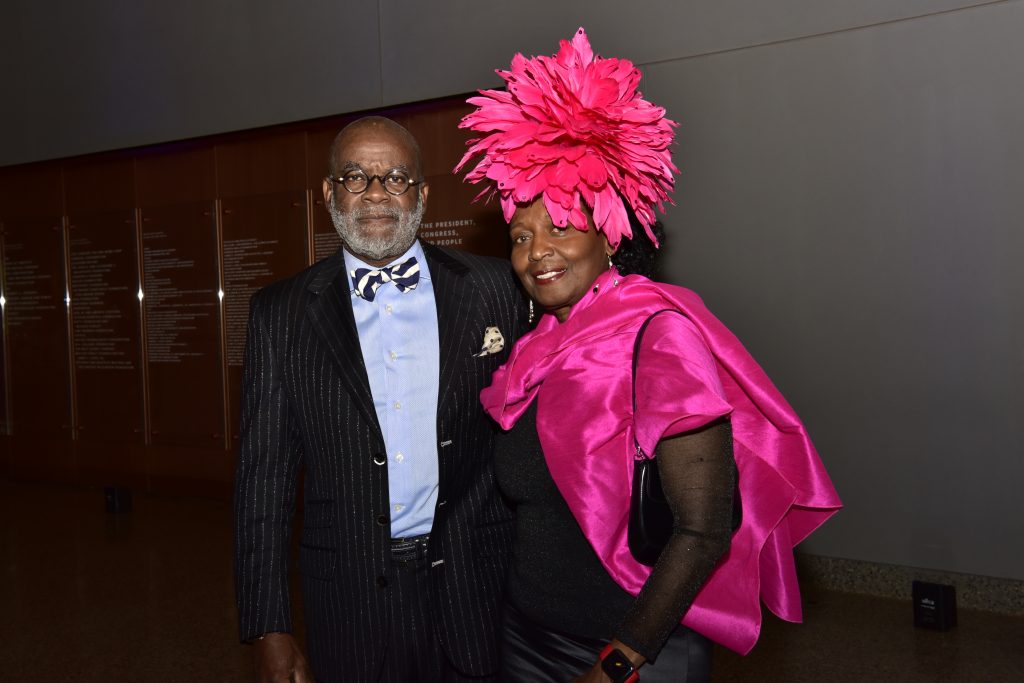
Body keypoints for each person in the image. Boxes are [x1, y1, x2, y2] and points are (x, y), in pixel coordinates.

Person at [456, 29, 842, 682]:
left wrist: (620, 660)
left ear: (612, 234)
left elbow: (702, 530)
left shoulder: (660, 335)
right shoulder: (532, 352)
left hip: (632, 648)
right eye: (521, 235)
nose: (536, 251)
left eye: (560, 224)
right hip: (527, 634)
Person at [234, 116, 528, 682]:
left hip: (476, 587)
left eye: (395, 178)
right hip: (348, 599)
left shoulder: (494, 289)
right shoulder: (281, 313)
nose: (375, 193)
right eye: (355, 177)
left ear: (421, 193)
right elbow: (262, 482)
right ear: (328, 193)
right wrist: (268, 626)